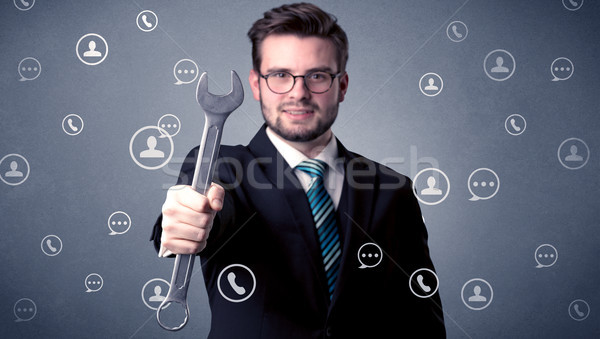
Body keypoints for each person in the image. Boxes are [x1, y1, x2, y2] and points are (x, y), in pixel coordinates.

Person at [151, 3, 445, 338]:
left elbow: (422, 316)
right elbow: (197, 210)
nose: (298, 92)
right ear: (256, 85)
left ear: (342, 86)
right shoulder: (221, 168)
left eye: (317, 76)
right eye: (280, 75)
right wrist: (183, 223)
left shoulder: (393, 190)